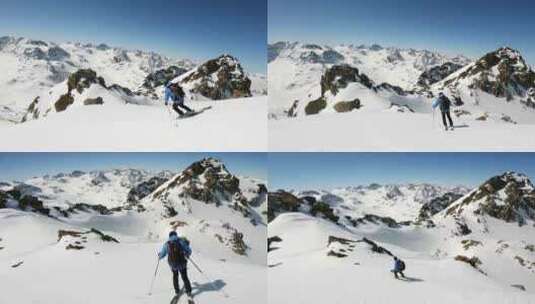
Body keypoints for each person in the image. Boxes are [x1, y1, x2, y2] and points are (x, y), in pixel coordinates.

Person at [158, 231, 193, 297]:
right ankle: (188, 292)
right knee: (184, 277)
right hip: (182, 263)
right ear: (176, 235)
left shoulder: (167, 244)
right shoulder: (181, 241)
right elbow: (189, 251)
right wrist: (187, 254)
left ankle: (177, 291)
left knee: (175, 276)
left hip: (173, 264)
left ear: (169, 236)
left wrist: (159, 256)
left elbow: (162, 254)